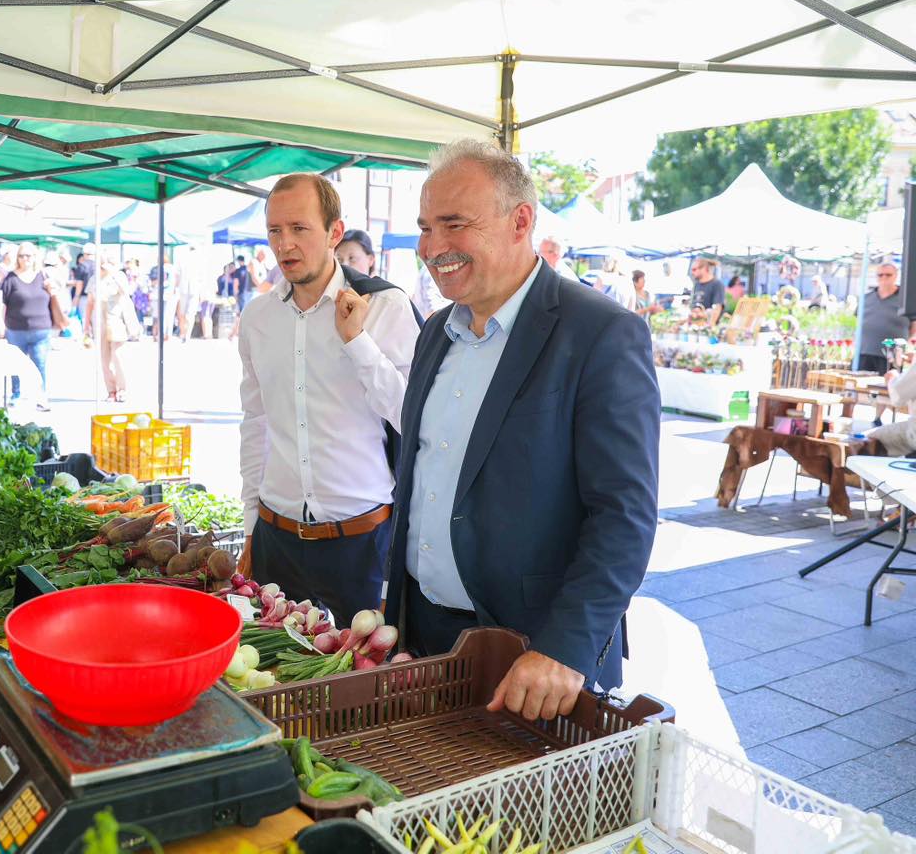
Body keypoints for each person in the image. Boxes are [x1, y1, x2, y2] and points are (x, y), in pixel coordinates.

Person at [384, 139, 659, 720]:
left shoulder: (600, 334)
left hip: (536, 656)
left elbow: (624, 514)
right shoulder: (435, 331)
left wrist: (564, 647)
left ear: (521, 221)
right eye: (425, 227)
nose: (432, 248)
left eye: (453, 225)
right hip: (425, 636)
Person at [238, 174, 421, 627]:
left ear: (334, 233)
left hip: (360, 543)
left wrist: (357, 341)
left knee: (364, 691)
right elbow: (254, 422)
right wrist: (249, 526)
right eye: (275, 231)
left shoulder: (384, 307)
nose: (285, 244)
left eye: (300, 228)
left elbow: (412, 417)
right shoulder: (257, 317)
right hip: (276, 539)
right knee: (276, 684)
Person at [0, 242, 56, 409]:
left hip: (41, 328)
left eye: (28, 256)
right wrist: (1, 324)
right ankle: (16, 393)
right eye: (22, 256)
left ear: (35, 257)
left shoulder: (43, 276)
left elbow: (54, 297)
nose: (25, 259)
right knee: (16, 364)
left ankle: (41, 396)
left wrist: (52, 289)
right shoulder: (10, 278)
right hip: (16, 329)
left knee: (40, 364)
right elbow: (3, 303)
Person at [86, 255, 138, 402]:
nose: (104, 265)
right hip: (100, 321)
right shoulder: (94, 279)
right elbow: (90, 303)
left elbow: (125, 293)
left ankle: (122, 389)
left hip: (116, 320)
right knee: (104, 359)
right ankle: (111, 390)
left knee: (118, 356)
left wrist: (113, 273)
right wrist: (86, 326)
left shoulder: (118, 276)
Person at [858, 260, 916, 374]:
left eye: (888, 274)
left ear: (896, 276)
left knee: (888, 388)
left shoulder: (906, 300)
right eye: (880, 275)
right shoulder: (866, 298)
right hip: (865, 353)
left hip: (892, 356)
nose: (884, 277)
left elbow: (914, 326)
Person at [689, 257, 726, 326]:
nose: (692, 272)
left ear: (704, 269)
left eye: (694, 269)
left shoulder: (717, 284)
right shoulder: (696, 284)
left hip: (707, 327)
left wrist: (710, 327)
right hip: (695, 325)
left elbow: (717, 308)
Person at [70, 244, 95, 325]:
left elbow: (79, 284)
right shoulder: (99, 266)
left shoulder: (82, 266)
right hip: (98, 297)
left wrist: (76, 297)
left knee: (85, 320)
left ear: (84, 253)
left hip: (85, 297)